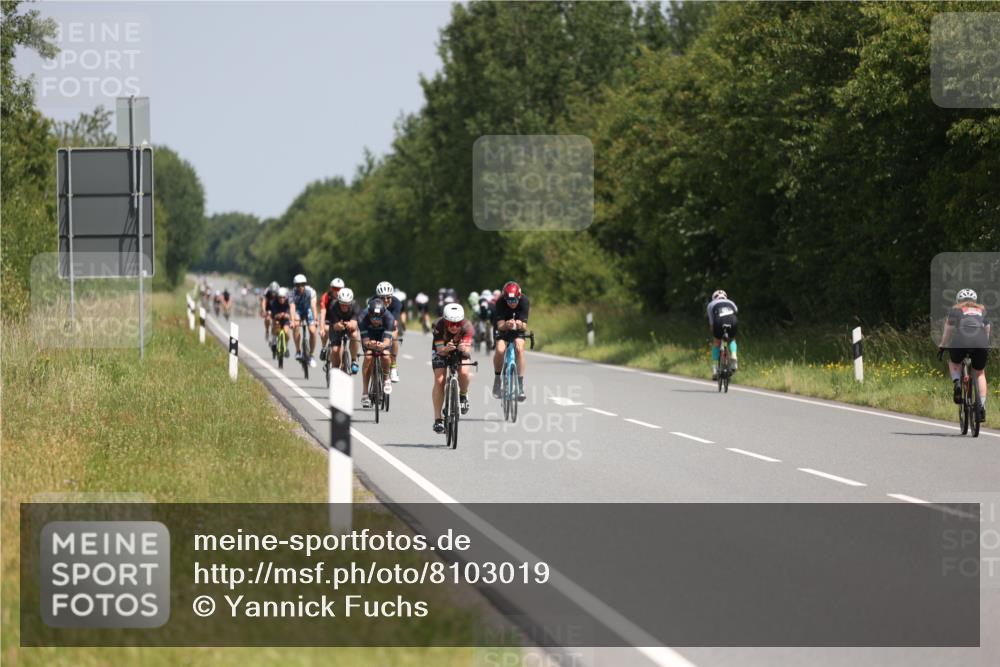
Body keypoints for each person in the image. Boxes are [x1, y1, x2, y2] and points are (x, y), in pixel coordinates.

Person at [938, 288, 990, 421]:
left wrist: (943, 345)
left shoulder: (955, 310)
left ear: (958, 300)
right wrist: (984, 344)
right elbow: (987, 330)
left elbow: (948, 330)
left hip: (961, 340)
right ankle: (981, 408)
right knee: (979, 373)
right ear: (975, 300)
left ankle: (957, 383)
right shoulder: (982, 310)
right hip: (980, 341)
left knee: (954, 362)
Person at [431, 303, 475, 433]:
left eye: (458, 323)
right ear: (445, 321)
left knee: (464, 373)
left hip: (460, 350)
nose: (455, 327)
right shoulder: (438, 325)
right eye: (451, 323)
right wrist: (446, 349)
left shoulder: (467, 327)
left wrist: (463, 349)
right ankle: (438, 419)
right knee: (439, 380)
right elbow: (439, 350)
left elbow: (467, 352)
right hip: (442, 350)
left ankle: (463, 394)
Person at [492, 281, 530, 401]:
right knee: (500, 349)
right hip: (503, 329)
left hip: (518, 330)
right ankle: (497, 379)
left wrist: (520, 324)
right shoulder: (500, 302)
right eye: (509, 301)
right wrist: (507, 325)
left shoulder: (524, 301)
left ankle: (520, 384)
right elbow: (499, 325)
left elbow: (525, 326)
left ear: (519, 297)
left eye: (514, 301)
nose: (512, 303)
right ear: (505, 298)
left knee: (519, 348)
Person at [358, 299, 395, 408]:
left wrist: (382, 345)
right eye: (373, 317)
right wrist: (370, 344)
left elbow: (387, 341)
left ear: (383, 315)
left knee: (385, 354)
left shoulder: (389, 318)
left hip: (383, 336)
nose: (376, 320)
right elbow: (365, 342)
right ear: (369, 314)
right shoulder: (362, 318)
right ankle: (365, 393)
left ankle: (386, 378)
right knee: (368, 356)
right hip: (369, 336)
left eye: (379, 317)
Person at [374, 281, 404, 382]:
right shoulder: (372, 302)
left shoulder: (397, 304)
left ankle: (393, 367)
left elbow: (394, 323)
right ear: (378, 297)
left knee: (394, 334)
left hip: (390, 326)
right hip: (375, 326)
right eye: (382, 298)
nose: (386, 300)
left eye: (388, 297)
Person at [327, 287, 361, 375]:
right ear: (338, 301)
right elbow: (335, 325)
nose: (344, 306)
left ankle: (354, 360)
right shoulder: (333, 306)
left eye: (347, 304)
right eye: (342, 304)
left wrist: (351, 324)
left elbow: (355, 322)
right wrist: (339, 325)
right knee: (335, 350)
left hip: (349, 327)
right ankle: (335, 370)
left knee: (354, 335)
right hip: (336, 327)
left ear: (351, 302)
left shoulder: (355, 305)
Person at [707, 289, 738, 380]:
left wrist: (715, 335)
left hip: (719, 321)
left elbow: (712, 324)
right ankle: (734, 355)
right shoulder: (731, 302)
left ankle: (715, 368)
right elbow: (735, 313)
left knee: (716, 342)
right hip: (733, 320)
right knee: (732, 339)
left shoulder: (711, 305)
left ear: (714, 298)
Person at [290, 273, 318, 368]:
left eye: (302, 284)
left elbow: (313, 306)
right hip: (298, 310)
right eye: (298, 285)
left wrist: (316, 319)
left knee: (312, 331)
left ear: (305, 284)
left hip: (308, 309)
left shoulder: (311, 291)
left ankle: (312, 355)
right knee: (296, 324)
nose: (300, 287)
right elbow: (292, 307)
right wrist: (292, 321)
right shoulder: (292, 293)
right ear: (295, 286)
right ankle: (298, 351)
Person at [319, 278, 345, 360]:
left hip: (340, 318)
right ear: (331, 288)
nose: (337, 291)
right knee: (326, 329)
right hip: (328, 317)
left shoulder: (345, 296)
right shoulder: (326, 296)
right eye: (335, 288)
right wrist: (321, 328)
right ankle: (324, 347)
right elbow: (323, 313)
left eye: (339, 289)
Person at [269, 287, 293, 357]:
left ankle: (286, 346)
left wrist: (288, 316)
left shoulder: (289, 302)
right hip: (277, 319)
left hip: (285, 320)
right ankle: (274, 341)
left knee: (286, 332)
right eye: (280, 297)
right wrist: (277, 315)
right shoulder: (274, 303)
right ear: (277, 297)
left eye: (283, 297)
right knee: (275, 327)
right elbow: (273, 314)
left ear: (286, 297)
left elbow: (291, 312)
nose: (282, 299)